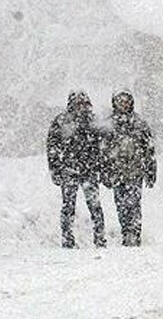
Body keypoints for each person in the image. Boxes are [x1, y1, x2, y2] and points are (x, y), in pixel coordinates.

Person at [46, 91, 106, 249]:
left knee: (95, 206)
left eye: (84, 103)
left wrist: (101, 166)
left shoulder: (93, 121)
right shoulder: (61, 121)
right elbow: (52, 147)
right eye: (78, 103)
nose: (81, 106)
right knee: (68, 206)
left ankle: (100, 238)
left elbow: (103, 147)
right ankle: (67, 239)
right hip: (69, 170)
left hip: (89, 170)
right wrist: (55, 169)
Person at [102, 91, 156, 246]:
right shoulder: (109, 124)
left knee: (134, 204)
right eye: (120, 101)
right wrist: (105, 171)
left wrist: (151, 171)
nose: (123, 104)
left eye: (126, 101)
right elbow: (103, 151)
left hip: (135, 172)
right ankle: (126, 232)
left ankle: (135, 234)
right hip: (116, 172)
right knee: (121, 205)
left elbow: (149, 149)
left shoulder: (139, 123)